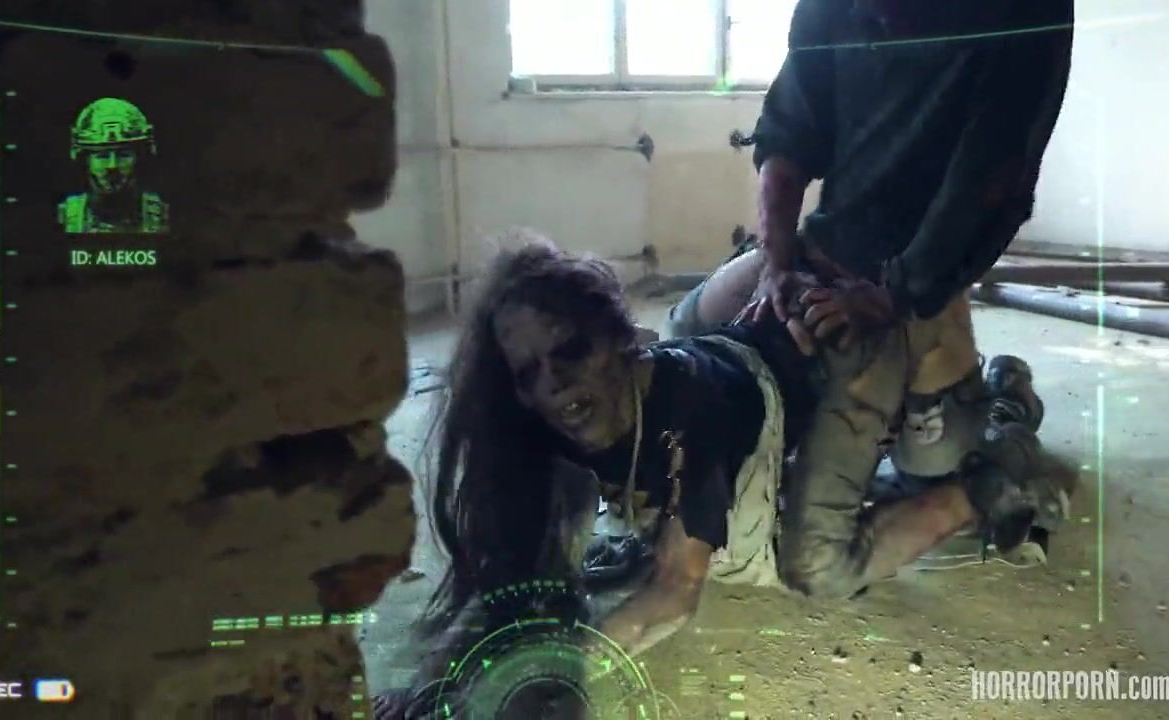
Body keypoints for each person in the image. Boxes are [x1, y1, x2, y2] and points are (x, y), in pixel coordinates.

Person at [373, 235, 1056, 718]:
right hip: (741, 347)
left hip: (838, 370)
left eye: (570, 351)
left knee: (822, 563)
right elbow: (511, 578)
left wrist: (559, 671)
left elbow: (676, 591)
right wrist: (441, 688)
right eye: (529, 373)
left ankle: (1002, 453)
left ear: (621, 339)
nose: (554, 384)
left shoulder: (687, 419)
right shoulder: (556, 414)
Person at [666, 0, 1074, 596]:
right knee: (686, 339)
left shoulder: (1022, 12)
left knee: (927, 476)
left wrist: (893, 297)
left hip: (923, 279)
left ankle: (1004, 413)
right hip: (827, 246)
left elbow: (991, 180)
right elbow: (789, 133)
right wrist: (777, 266)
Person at [58, 97, 169, 235]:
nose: (112, 166)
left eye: (123, 155)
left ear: (139, 158)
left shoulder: (160, 215)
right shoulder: (66, 216)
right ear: (85, 159)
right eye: (102, 156)